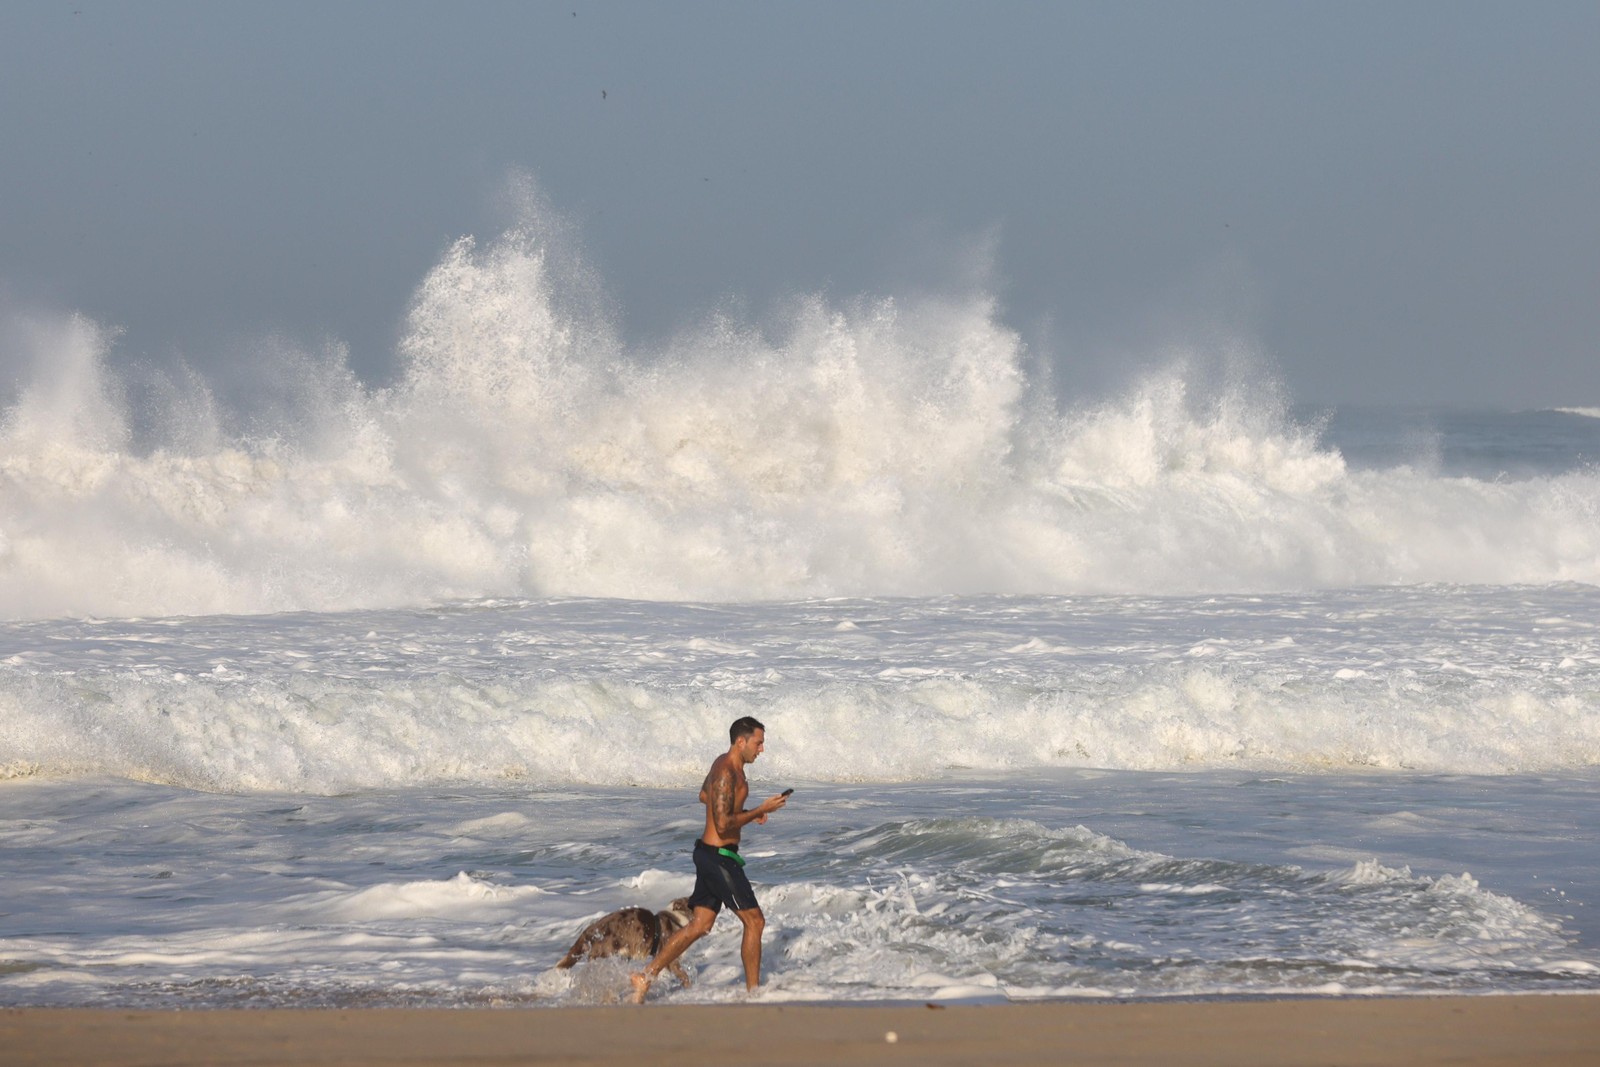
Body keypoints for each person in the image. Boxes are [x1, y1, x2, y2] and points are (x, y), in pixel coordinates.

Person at [630, 716, 788, 1002]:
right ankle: (754, 995)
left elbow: (706, 795)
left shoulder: (724, 765)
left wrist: (745, 810)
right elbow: (725, 823)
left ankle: (646, 976)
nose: (761, 749)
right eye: (758, 742)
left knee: (700, 925)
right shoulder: (727, 771)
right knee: (755, 922)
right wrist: (758, 810)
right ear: (741, 741)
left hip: (709, 853)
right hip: (719, 859)